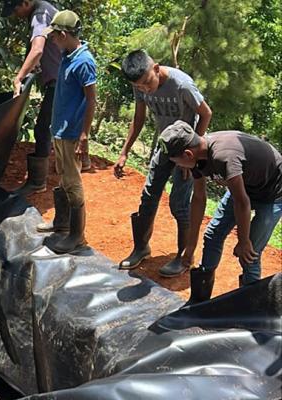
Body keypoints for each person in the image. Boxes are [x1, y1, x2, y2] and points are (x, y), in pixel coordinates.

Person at [159, 122, 282, 304]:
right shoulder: (197, 156)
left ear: (187, 154)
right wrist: (190, 247)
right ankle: (199, 300)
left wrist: (243, 240)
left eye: (175, 162)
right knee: (212, 235)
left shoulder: (223, 157)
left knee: (250, 254)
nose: (177, 166)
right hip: (242, 187)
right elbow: (199, 198)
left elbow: (242, 202)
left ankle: (250, 307)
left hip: (272, 194)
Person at [115, 50, 212, 276]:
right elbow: (138, 118)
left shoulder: (182, 85)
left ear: (156, 68)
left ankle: (183, 257)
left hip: (187, 150)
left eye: (148, 82)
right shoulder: (139, 84)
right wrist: (124, 152)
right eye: (140, 87)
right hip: (165, 146)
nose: (145, 89)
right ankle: (141, 248)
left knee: (179, 203)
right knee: (149, 196)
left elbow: (206, 113)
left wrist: (193, 155)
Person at [35, 10, 97, 254]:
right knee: (63, 177)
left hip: (72, 132)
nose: (52, 40)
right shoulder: (66, 54)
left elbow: (91, 101)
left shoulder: (84, 61)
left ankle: (76, 235)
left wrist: (84, 135)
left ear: (63, 34)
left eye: (54, 36)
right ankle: (61, 224)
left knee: (73, 183)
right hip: (60, 129)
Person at [4, 0, 63, 194]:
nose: (15, 14)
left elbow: (37, 49)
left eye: (15, 8)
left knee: (43, 128)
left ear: (26, 3)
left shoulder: (40, 15)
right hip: (60, 79)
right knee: (50, 126)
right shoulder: (45, 9)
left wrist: (19, 77)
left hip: (62, 81)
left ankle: (38, 182)